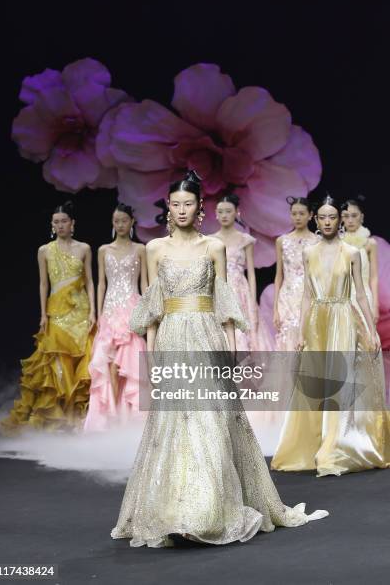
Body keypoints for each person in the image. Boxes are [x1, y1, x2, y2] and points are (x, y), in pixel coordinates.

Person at [110, 170, 328, 548]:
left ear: (199, 209)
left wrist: (229, 352)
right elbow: (153, 307)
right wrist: (151, 352)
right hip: (173, 338)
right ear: (168, 208)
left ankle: (207, 509)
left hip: (207, 337)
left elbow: (224, 304)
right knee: (173, 423)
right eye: (175, 204)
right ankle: (174, 510)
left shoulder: (213, 248)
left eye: (188, 204)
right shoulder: (155, 249)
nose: (181, 210)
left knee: (211, 420)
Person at [271, 196, 390, 476]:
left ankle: (337, 447)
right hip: (316, 321)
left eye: (332, 217)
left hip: (343, 318)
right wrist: (301, 331)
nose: (327, 222)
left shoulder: (351, 252)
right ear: (316, 220)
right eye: (322, 217)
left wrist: (370, 330)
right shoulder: (308, 252)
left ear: (339, 221)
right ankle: (311, 444)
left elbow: (360, 293)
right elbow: (306, 296)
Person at [1, 201, 95, 432]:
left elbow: (91, 282)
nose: (60, 225)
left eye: (64, 221)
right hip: (56, 311)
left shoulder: (84, 248)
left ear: (73, 224)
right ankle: (58, 417)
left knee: (81, 363)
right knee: (56, 364)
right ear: (52, 225)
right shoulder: (45, 250)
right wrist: (43, 314)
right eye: (56, 222)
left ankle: (76, 418)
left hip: (81, 312)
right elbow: (43, 283)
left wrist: (93, 311)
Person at [84, 203, 147, 431]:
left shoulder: (141, 249)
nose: (120, 225)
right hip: (111, 309)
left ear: (131, 223)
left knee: (129, 364)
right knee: (108, 363)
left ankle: (128, 418)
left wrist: (146, 312)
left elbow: (145, 283)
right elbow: (101, 284)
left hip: (132, 307)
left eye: (123, 220)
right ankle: (110, 416)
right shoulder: (103, 250)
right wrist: (99, 312)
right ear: (113, 224)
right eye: (116, 221)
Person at [211, 193, 273, 351]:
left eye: (228, 211)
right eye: (220, 211)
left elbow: (251, 273)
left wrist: (252, 301)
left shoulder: (245, 240)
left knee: (244, 336)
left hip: (240, 293)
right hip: (217, 291)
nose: (224, 215)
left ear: (237, 212)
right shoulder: (209, 241)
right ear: (216, 214)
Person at [273, 197, 319, 350]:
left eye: (301, 213)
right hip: (286, 297)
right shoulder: (282, 241)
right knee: (286, 339)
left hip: (310, 295)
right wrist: (275, 309)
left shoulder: (318, 241)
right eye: (294, 214)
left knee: (309, 339)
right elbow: (279, 275)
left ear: (310, 215)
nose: (297, 217)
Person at [341, 196, 379, 323]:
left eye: (354, 215)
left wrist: (375, 305)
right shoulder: (338, 243)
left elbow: (374, 277)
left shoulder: (370, 243)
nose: (350, 220)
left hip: (364, 296)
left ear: (361, 217)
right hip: (342, 297)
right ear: (341, 219)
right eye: (346, 216)